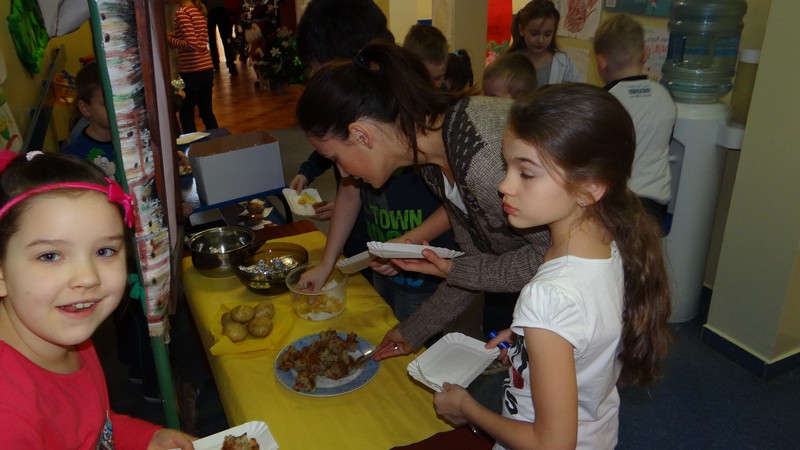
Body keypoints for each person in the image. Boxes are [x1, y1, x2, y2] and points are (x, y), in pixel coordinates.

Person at [431, 83, 672, 450]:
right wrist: (528, 340)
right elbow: (587, 332)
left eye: (526, 173)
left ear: (589, 188)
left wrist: (467, 408)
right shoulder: (611, 245)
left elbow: (552, 445)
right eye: (507, 166)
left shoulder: (549, 297)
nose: (504, 185)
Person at [295, 41, 551, 358]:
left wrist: (454, 270)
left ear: (361, 135)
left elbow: (554, 261)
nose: (343, 173)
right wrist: (412, 331)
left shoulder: (481, 160)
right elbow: (476, 261)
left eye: (336, 158)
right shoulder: (434, 162)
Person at [0, 151, 195, 448]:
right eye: (50, 256)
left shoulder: (68, 334)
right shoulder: (8, 419)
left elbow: (93, 430)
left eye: (105, 251)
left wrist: (146, 439)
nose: (88, 277)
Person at [289, 0, 396, 284]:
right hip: (371, 239)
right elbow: (349, 189)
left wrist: (411, 242)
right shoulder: (355, 107)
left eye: (324, 74)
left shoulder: (399, 114)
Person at [594, 14, 676, 227]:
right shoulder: (664, 96)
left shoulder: (604, 100)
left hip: (617, 203)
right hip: (656, 206)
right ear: (644, 56)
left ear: (602, 62)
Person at [168, 0, 219, 133]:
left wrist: (169, 40)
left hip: (191, 70)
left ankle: (191, 144)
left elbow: (191, 43)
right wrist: (174, 35)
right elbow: (194, 35)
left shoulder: (182, 13)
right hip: (206, 68)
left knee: (186, 112)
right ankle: (218, 141)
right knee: (207, 111)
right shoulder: (198, 11)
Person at [62, 61, 117, 179]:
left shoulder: (138, 137)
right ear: (85, 108)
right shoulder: (74, 158)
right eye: (107, 104)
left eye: (120, 100)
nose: (117, 108)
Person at [506, 0, 581, 84]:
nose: (540, 40)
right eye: (534, 34)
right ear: (521, 30)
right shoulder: (510, 62)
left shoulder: (564, 64)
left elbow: (575, 90)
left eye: (547, 34)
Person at [402, 24, 449, 88]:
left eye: (437, 79)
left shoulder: (446, 92)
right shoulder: (395, 90)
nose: (432, 87)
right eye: (424, 79)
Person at [206, 0, 238, 74]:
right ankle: (231, 65)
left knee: (212, 39)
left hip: (209, 9)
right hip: (221, 8)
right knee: (226, 39)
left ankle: (215, 64)